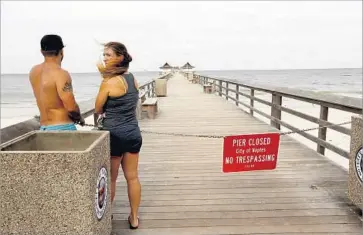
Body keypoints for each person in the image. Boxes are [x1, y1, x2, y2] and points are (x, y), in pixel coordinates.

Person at [95, 42, 142, 229]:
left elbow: (98, 108)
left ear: (120, 57)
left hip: (114, 136)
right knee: (133, 177)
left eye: (108, 55)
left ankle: (107, 216)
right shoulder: (132, 79)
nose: (104, 58)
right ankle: (135, 217)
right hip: (133, 134)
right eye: (104, 55)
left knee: (111, 179)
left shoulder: (108, 82)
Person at [29, 34, 85, 130]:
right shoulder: (61, 74)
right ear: (61, 51)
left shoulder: (34, 71)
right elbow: (71, 107)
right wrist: (79, 118)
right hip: (63, 128)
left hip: (44, 128)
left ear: (42, 52)